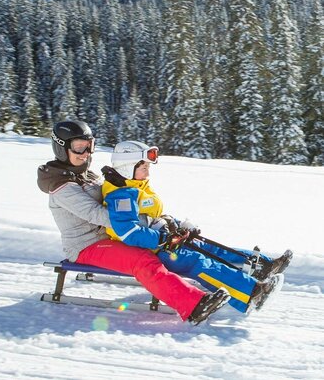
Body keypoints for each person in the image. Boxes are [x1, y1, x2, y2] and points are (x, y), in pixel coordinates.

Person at [37, 120, 231, 325]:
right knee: (142, 260)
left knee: (166, 250)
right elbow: (97, 214)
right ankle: (193, 305)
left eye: (89, 145)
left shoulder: (86, 175)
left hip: (110, 237)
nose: (86, 152)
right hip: (86, 246)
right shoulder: (61, 186)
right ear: (62, 147)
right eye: (78, 147)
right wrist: (139, 222)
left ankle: (223, 280)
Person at [101, 140, 293, 314]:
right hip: (152, 248)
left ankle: (264, 266)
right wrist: (164, 239)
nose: (148, 172)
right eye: (144, 167)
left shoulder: (136, 185)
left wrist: (177, 225)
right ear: (127, 167)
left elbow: (152, 216)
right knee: (198, 261)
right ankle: (252, 293)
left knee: (207, 247)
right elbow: (129, 232)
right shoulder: (121, 196)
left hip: (164, 239)